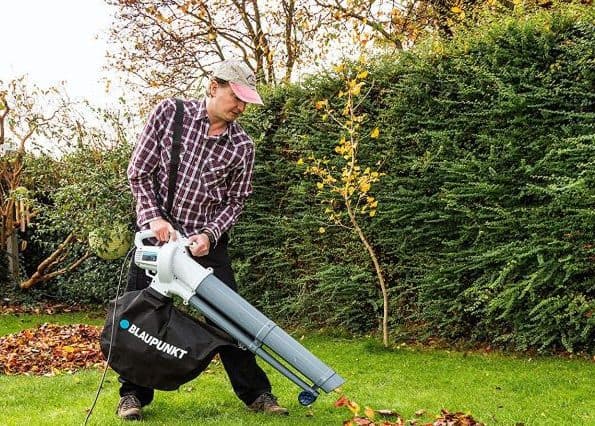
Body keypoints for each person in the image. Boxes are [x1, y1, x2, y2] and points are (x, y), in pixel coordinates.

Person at [119, 59, 288, 420]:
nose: (241, 107)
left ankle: (257, 393)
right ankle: (131, 395)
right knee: (140, 317)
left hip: (205, 244)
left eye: (246, 101)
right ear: (214, 87)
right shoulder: (170, 114)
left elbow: (236, 201)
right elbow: (139, 172)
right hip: (158, 240)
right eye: (236, 96)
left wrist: (210, 235)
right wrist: (155, 217)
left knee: (231, 318)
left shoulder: (242, 146)